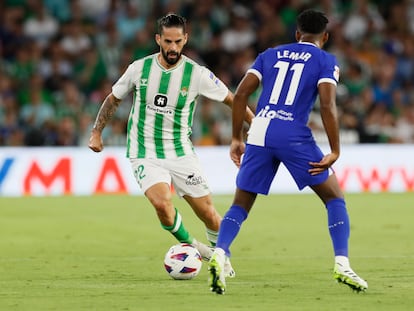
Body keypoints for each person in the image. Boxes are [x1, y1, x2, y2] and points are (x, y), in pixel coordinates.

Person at [208, 9, 368, 294]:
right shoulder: (325, 60)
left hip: (259, 129)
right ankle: (342, 264)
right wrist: (334, 149)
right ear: (325, 37)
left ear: (297, 34)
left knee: (241, 204)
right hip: (292, 132)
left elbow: (241, 94)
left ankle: (220, 253)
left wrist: (236, 137)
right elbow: (328, 105)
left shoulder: (270, 54)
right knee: (334, 198)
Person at [88, 13, 254, 276]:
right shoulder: (139, 68)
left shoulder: (197, 74)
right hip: (144, 151)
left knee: (209, 215)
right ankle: (196, 247)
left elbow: (232, 99)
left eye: (178, 41)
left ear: (186, 39)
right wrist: (97, 132)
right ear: (158, 39)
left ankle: (221, 258)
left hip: (180, 152)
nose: (173, 47)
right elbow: (113, 99)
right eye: (168, 41)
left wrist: (253, 124)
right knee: (162, 204)